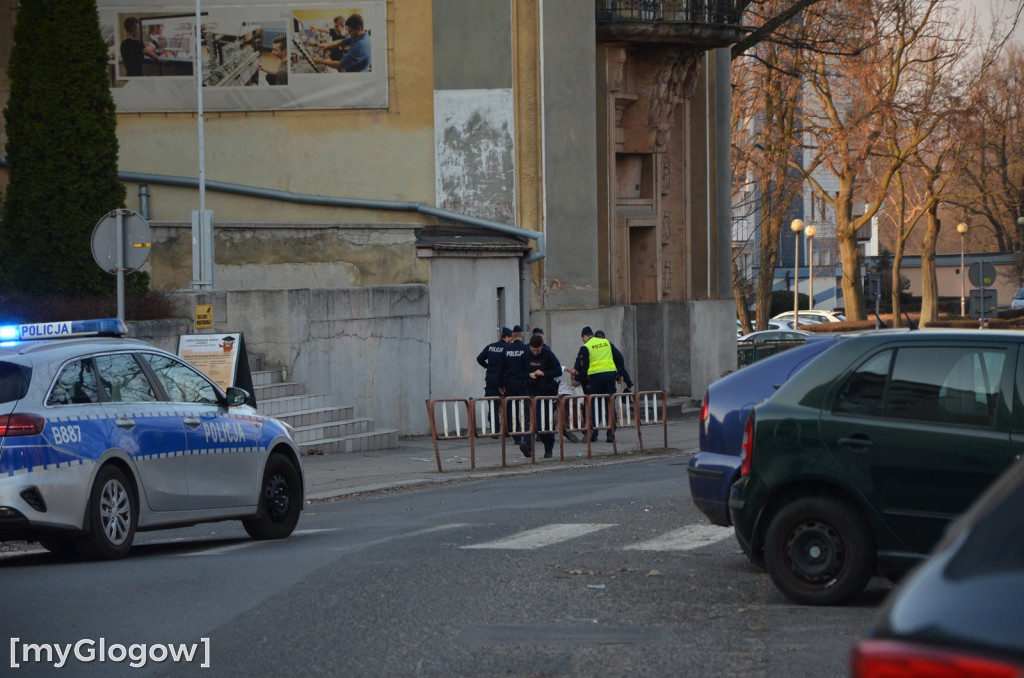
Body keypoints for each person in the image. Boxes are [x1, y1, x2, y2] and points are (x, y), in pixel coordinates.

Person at [572, 326, 618, 443]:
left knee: (593, 405)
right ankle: (610, 434)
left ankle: (593, 433)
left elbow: (584, 366)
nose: (583, 340)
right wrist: (620, 374)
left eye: (583, 338)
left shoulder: (586, 347)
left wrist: (577, 379)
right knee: (609, 404)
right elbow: (619, 357)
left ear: (585, 336)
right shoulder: (606, 342)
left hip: (596, 378)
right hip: (610, 376)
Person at [523, 334, 563, 458]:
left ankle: (548, 448)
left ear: (541, 346)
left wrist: (544, 373)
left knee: (544, 423)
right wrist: (529, 375)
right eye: (533, 350)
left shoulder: (548, 354)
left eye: (537, 350)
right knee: (530, 419)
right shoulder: (526, 354)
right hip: (531, 391)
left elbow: (558, 371)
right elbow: (519, 372)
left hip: (546, 392)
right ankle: (527, 444)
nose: (535, 353)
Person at [476, 326, 511, 434]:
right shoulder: (507, 348)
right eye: (511, 338)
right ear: (507, 337)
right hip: (502, 382)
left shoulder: (491, 346)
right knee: (505, 406)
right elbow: (508, 366)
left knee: (493, 406)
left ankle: (494, 430)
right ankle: (507, 430)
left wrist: (487, 366)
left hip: (490, 380)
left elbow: (479, 358)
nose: (512, 341)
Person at [500, 325, 529, 454]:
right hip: (523, 382)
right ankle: (525, 434)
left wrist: (501, 384)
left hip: (510, 382)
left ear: (512, 336)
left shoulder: (507, 350)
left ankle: (516, 436)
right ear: (522, 335)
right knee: (525, 409)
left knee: (512, 409)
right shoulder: (526, 349)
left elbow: (502, 368)